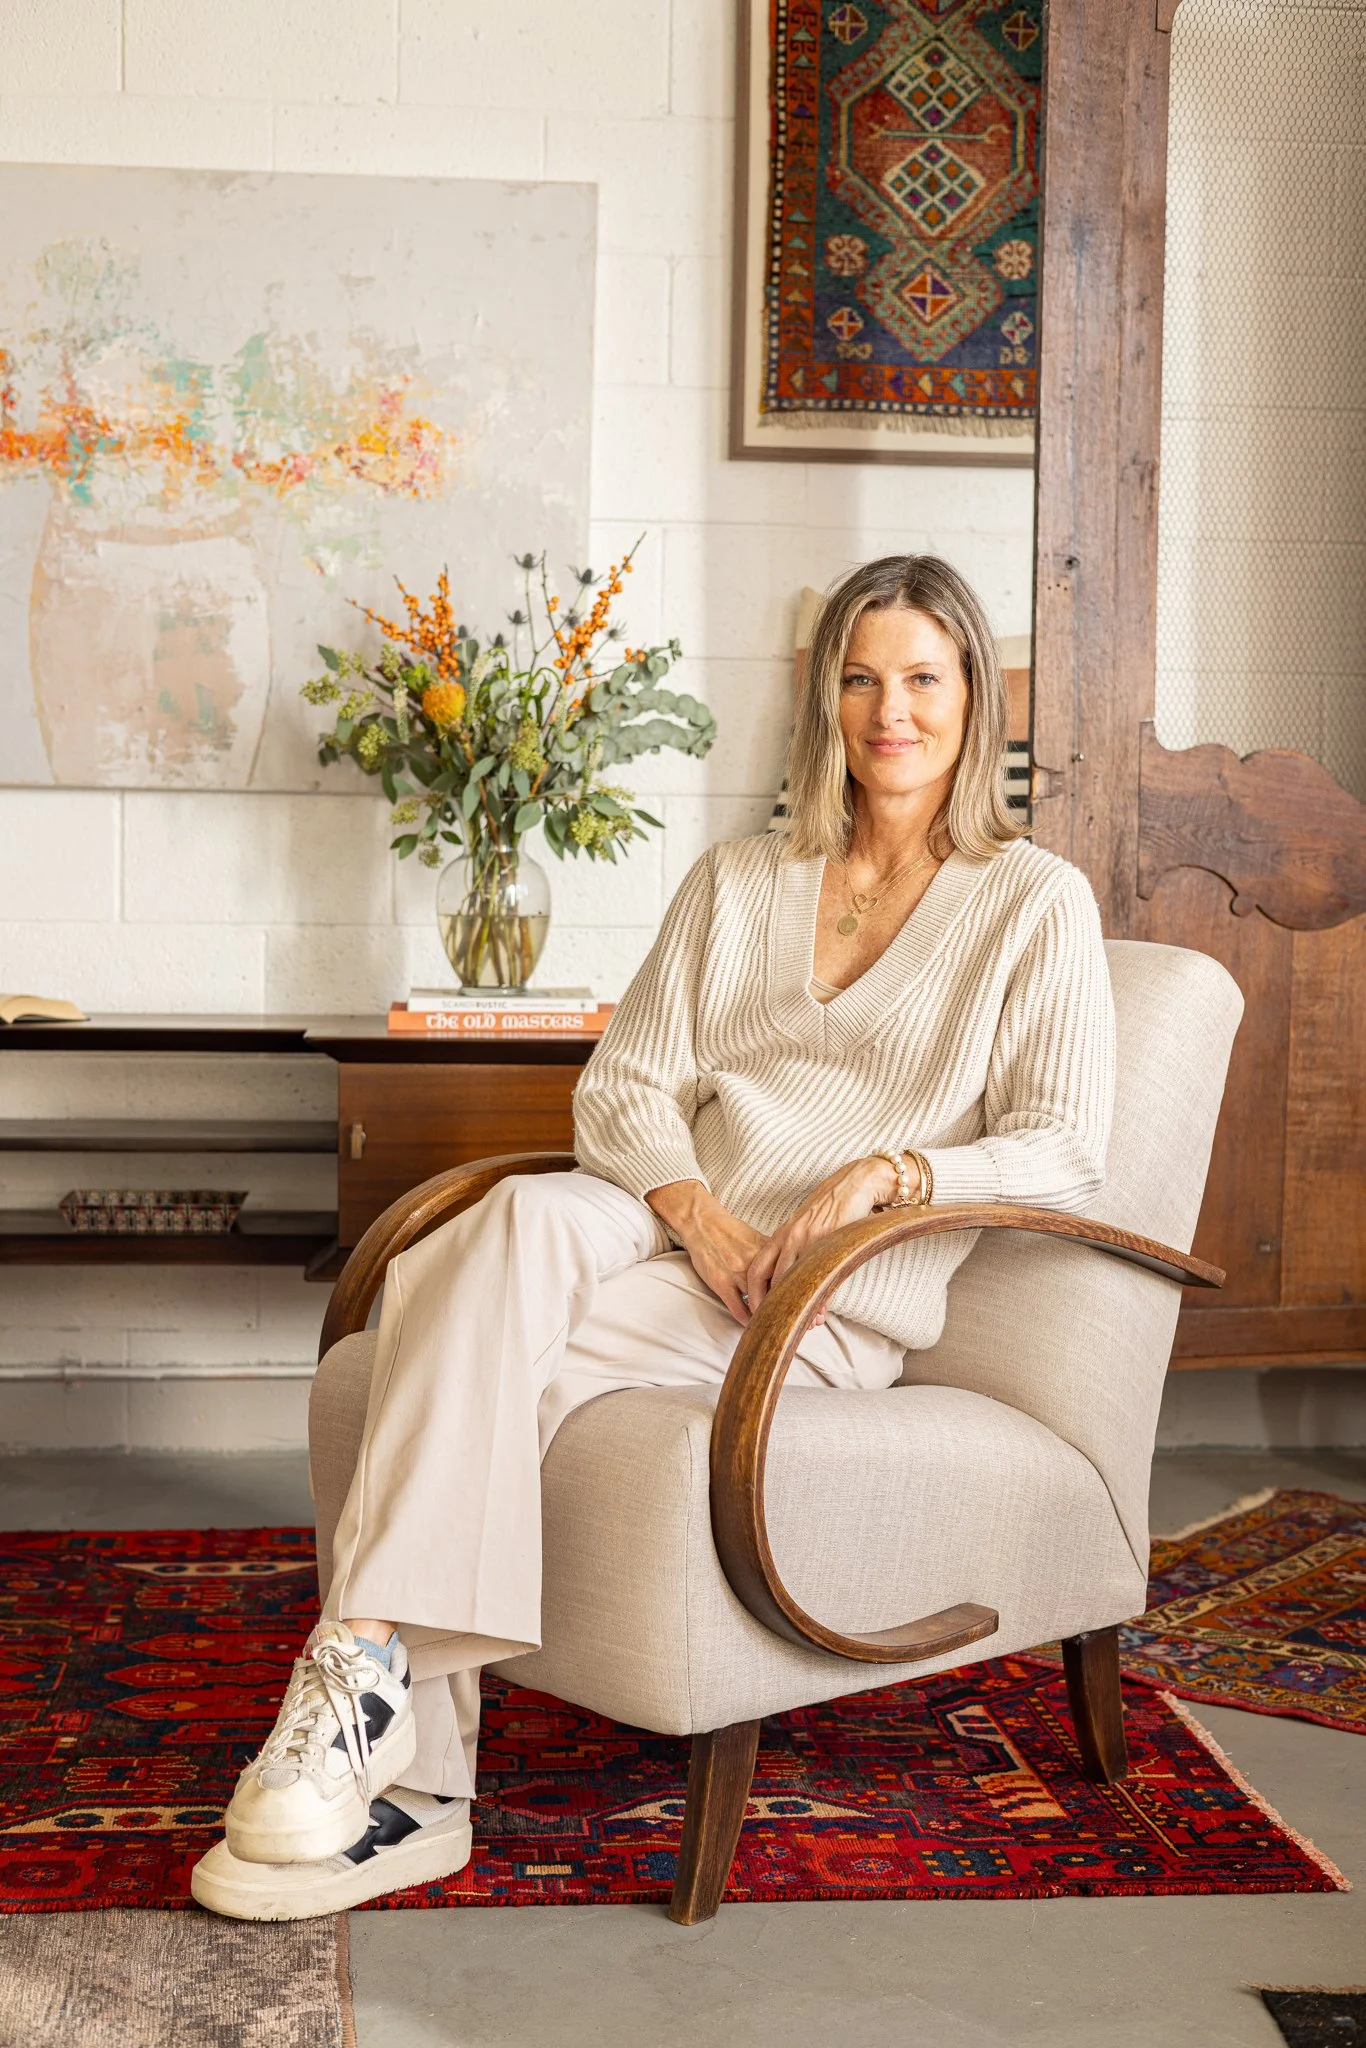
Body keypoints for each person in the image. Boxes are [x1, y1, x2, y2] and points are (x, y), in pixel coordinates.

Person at [192, 554, 1115, 1920]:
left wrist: (888, 1169)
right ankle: (378, 1698)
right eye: (858, 678)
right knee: (504, 1221)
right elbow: (622, 1087)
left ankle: (401, 1764)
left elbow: (1061, 1144)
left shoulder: (1033, 901)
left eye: (922, 678)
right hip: (666, 1233)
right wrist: (691, 1205)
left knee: (460, 1349)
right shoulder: (740, 877)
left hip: (810, 1307)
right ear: (820, 700)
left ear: (975, 697)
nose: (889, 712)